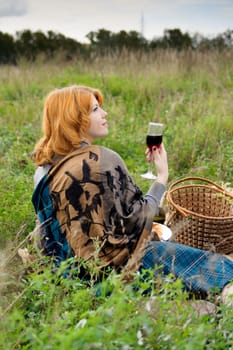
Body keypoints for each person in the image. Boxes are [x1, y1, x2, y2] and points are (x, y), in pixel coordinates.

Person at [31, 85, 233, 303]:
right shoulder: (101, 161)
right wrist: (161, 178)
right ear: (76, 118)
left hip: (70, 274)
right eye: (95, 109)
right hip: (115, 272)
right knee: (205, 264)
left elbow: (46, 232)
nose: (104, 113)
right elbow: (136, 222)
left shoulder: (42, 170)